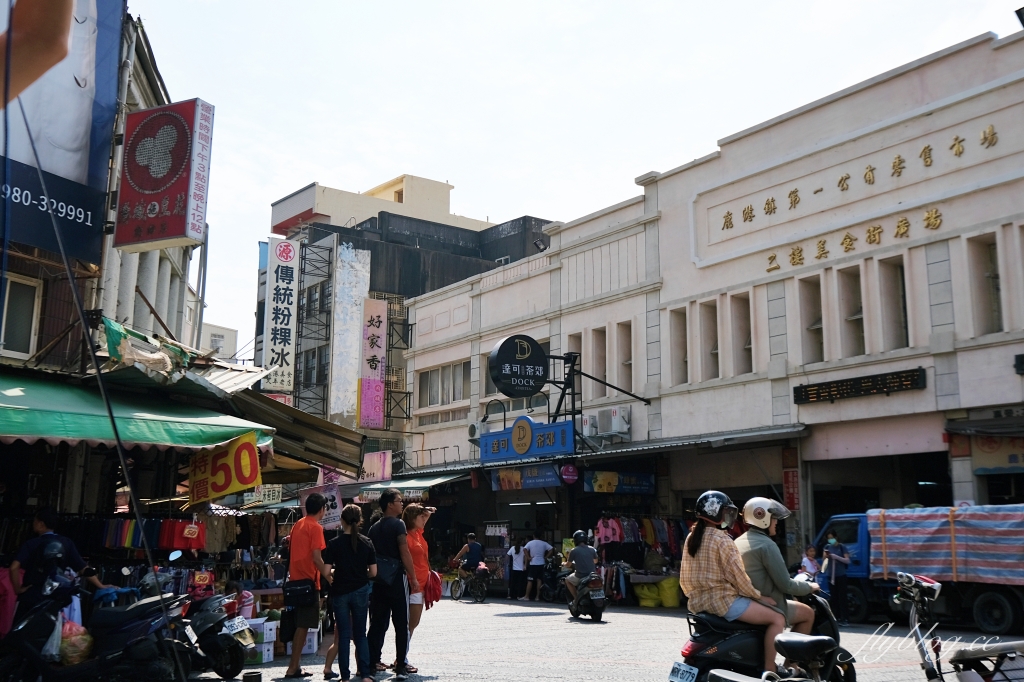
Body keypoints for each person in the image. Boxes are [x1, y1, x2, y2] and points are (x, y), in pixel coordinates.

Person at [679, 491, 789, 678]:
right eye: (727, 512)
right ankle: (771, 670)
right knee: (777, 619)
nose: (729, 517)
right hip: (724, 603)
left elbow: (684, 579)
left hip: (697, 604)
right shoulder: (723, 540)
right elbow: (740, 580)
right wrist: (759, 596)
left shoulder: (692, 538)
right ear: (716, 513)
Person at [735, 497, 819, 645]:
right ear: (763, 518)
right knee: (808, 613)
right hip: (768, 604)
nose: (776, 522)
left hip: (747, 602)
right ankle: (792, 665)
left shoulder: (738, 542)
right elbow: (785, 584)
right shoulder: (767, 545)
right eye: (774, 518)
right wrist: (809, 587)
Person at [10, 507, 108, 623]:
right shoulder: (66, 543)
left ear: (41, 524)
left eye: (35, 521)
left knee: (21, 631)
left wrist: (17, 589)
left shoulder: (31, 544)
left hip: (31, 595)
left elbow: (13, 567)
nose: (33, 524)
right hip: (55, 596)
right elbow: (82, 568)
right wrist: (101, 585)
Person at [367, 488, 418, 681]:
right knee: (401, 623)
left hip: (379, 580)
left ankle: (372, 663)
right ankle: (401, 666)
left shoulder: (373, 528)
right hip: (396, 578)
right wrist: (412, 577)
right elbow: (404, 552)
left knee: (377, 623)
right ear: (390, 504)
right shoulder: (398, 525)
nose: (401, 503)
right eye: (399, 500)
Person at [322, 504, 377, 682]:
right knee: (361, 634)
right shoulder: (367, 542)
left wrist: (333, 578)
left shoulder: (334, 544)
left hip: (340, 592)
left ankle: (345, 677)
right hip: (361, 590)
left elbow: (326, 570)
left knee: (343, 636)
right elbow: (374, 573)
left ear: (342, 520)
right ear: (360, 520)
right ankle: (366, 675)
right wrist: (362, 576)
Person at [284, 493, 332, 679]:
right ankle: (292, 667)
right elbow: (316, 558)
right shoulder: (315, 527)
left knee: (300, 624)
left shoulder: (298, 524)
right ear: (321, 509)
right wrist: (328, 576)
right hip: (309, 582)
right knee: (303, 625)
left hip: (295, 580)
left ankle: (294, 666)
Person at [401, 503, 434, 674]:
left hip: (421, 582)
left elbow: (426, 517)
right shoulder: (406, 536)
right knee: (409, 623)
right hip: (411, 583)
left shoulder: (418, 533)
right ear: (412, 518)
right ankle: (402, 658)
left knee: (413, 623)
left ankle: (402, 656)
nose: (424, 520)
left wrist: (425, 511)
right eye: (420, 517)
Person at [823, 530, 851, 626]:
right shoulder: (827, 547)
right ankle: (836, 618)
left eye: (832, 538)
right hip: (831, 576)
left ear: (836, 537)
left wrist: (836, 557)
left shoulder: (842, 547)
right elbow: (824, 560)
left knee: (842, 597)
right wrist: (827, 556)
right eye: (829, 538)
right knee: (834, 598)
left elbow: (847, 560)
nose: (831, 540)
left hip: (841, 576)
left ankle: (845, 619)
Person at [563, 530, 598, 603]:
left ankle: (576, 599)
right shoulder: (592, 549)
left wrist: (563, 563)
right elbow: (595, 561)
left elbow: (568, 565)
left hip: (580, 576)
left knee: (567, 580)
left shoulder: (574, 550)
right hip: (592, 575)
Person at [520, 533, 552, 601]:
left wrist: (528, 557)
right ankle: (537, 597)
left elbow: (525, 549)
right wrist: (546, 557)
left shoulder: (530, 543)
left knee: (530, 580)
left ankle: (527, 596)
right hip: (541, 563)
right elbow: (551, 549)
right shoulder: (544, 543)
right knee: (539, 580)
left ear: (534, 536)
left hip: (533, 563)